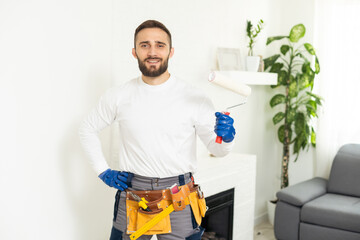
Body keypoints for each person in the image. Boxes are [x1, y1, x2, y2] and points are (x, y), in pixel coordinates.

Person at [79, 19, 236, 240]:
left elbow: (218, 149)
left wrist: (225, 138)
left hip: (179, 197)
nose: (152, 51)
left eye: (160, 45)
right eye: (145, 45)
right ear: (135, 52)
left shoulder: (195, 97)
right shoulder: (118, 96)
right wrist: (102, 170)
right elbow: (87, 129)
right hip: (133, 195)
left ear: (171, 52)